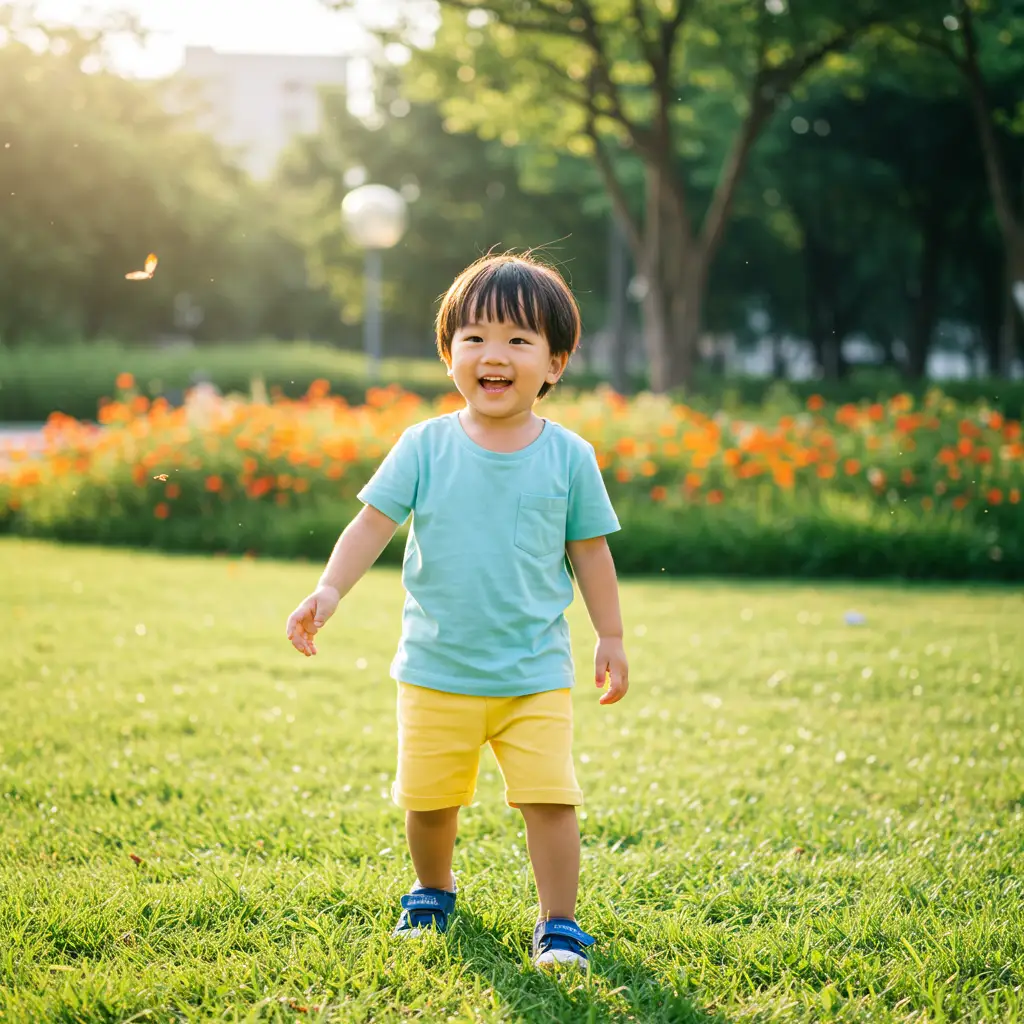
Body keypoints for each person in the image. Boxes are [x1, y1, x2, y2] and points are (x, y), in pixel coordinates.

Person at [285, 252, 629, 970]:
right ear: (449, 356)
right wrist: (329, 590)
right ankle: (432, 893)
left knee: (550, 800)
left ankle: (559, 923)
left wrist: (611, 635)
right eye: (473, 338)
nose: (493, 355)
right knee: (431, 799)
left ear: (556, 363)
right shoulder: (425, 445)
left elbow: (591, 553)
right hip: (437, 668)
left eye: (518, 340)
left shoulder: (569, 456)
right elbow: (372, 524)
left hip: (533, 671)